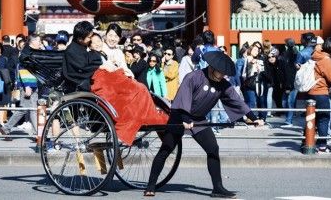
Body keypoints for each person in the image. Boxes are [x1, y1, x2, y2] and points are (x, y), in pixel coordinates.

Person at [145, 51, 264, 198]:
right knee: (167, 149)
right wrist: (185, 119)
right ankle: (150, 185)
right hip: (179, 116)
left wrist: (253, 117)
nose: (222, 76)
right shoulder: (194, 77)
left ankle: (218, 188)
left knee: (213, 149)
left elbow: (236, 101)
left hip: (199, 120)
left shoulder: (223, 84)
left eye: (224, 74)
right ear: (212, 67)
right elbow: (183, 99)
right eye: (220, 73)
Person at [62, 21, 167, 145]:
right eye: (90, 38)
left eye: (116, 36)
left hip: (101, 75)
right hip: (91, 80)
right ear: (81, 38)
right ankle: (132, 118)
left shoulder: (86, 47)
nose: (92, 40)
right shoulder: (73, 50)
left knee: (139, 87)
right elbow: (82, 69)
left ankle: (144, 114)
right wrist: (102, 67)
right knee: (134, 89)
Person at [0, 34, 43, 140]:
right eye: (38, 41)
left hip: (31, 84)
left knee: (27, 109)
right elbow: (22, 69)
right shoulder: (26, 53)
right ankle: (38, 134)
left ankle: (7, 128)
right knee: (29, 109)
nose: (40, 43)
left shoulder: (30, 51)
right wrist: (27, 86)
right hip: (27, 85)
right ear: (32, 42)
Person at [308, 37, 331, 154]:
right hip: (321, 92)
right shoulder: (326, 60)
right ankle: (322, 145)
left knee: (311, 118)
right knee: (323, 119)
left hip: (311, 91)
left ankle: (307, 142)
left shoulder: (315, 56)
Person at [280, 38, 298, 127]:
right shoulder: (286, 55)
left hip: (291, 82)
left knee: (289, 102)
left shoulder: (292, 55)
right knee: (285, 102)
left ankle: (289, 120)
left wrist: (288, 85)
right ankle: (288, 118)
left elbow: (289, 72)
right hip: (287, 82)